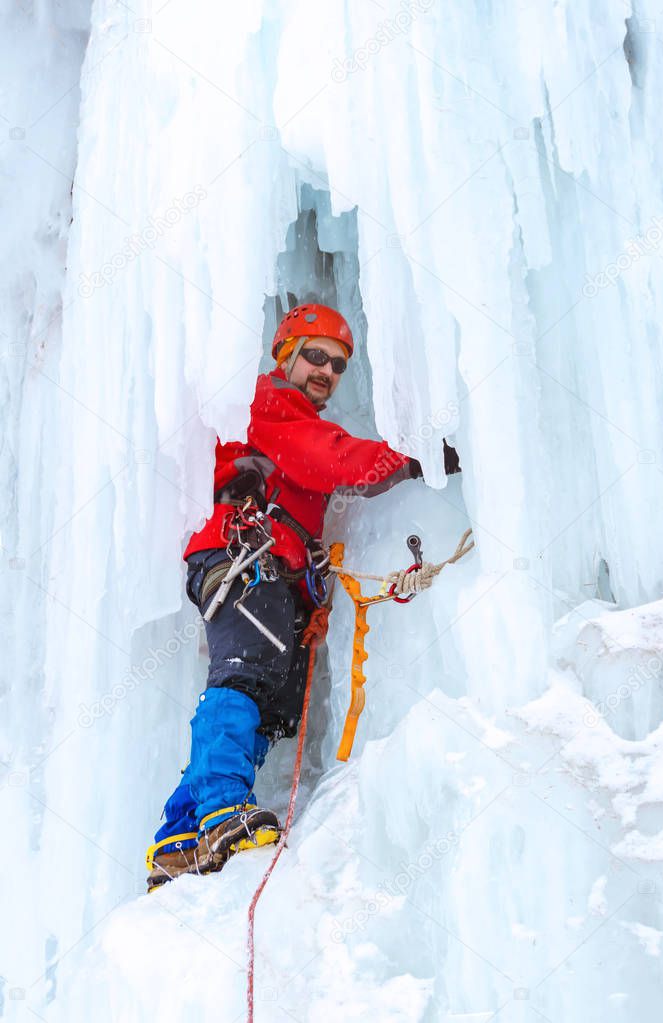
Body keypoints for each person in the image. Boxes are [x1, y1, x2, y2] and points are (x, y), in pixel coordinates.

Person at [146, 303, 460, 890]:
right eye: (314, 355)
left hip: (269, 571)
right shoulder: (266, 401)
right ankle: (219, 812)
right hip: (241, 558)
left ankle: (179, 837)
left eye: (338, 364)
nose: (326, 371)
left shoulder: (285, 417)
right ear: (284, 355)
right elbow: (330, 457)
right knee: (242, 676)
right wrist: (416, 457)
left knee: (264, 701)